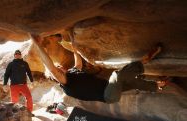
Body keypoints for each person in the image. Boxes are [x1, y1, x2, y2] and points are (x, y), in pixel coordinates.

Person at [31, 34, 164, 103]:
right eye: (57, 69)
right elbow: (51, 68)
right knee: (117, 76)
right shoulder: (66, 84)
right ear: (56, 77)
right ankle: (144, 61)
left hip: (108, 87)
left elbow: (78, 62)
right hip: (108, 95)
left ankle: (156, 86)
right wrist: (38, 45)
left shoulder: (72, 73)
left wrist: (73, 43)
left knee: (133, 82)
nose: (59, 67)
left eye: (59, 66)